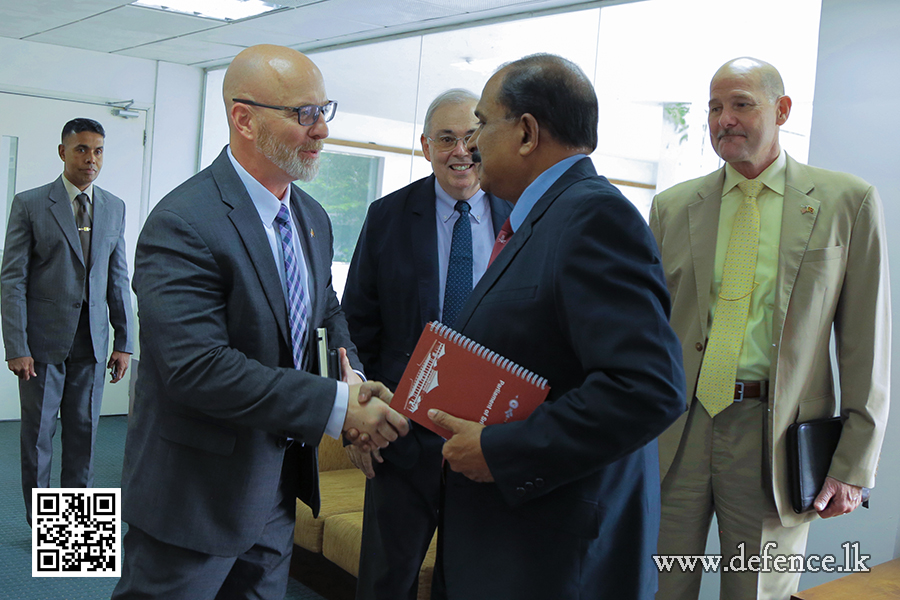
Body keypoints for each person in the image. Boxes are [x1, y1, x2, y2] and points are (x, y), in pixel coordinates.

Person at [112, 45, 409, 600]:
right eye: (304, 113)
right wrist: (339, 408)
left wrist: (352, 383)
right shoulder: (183, 223)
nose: (322, 130)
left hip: (277, 495)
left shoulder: (311, 217)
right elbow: (197, 369)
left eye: (325, 110)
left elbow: (325, 313)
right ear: (244, 118)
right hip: (194, 500)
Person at [425, 54, 686, 600]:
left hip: (556, 558)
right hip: (515, 541)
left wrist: (503, 451)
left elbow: (648, 389)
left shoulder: (595, 219)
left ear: (526, 133)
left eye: (480, 125)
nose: (469, 147)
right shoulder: (536, 219)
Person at [649, 57, 890, 600]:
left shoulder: (846, 203)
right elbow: (650, 329)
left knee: (758, 593)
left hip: (775, 436)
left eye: (740, 104)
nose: (723, 119)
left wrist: (854, 463)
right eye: (713, 107)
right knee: (655, 587)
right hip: (677, 432)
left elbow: (866, 345)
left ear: (781, 110)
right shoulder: (672, 207)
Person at [342, 89, 513, 600]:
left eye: (471, 137)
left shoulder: (524, 216)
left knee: (467, 585)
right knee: (384, 583)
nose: (461, 150)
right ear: (425, 146)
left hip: (488, 440)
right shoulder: (388, 217)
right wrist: (357, 428)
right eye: (446, 139)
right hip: (401, 438)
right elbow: (356, 326)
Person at [1, 117, 133, 525]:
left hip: (92, 345)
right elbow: (12, 279)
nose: (90, 159)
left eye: (98, 151)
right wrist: (17, 347)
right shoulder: (30, 203)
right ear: (63, 152)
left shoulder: (114, 206)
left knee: (84, 434)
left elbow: (118, 277)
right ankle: (41, 523)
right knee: (39, 437)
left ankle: (73, 525)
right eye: (81, 149)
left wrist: (124, 341)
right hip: (41, 347)